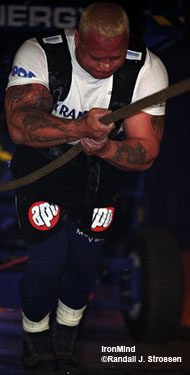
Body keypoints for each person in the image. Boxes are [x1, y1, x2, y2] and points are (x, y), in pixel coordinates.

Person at [5, 2, 168, 373]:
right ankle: (35, 340)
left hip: (100, 178)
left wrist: (108, 146)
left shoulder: (147, 69)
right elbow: (19, 124)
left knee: (82, 262)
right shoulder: (40, 52)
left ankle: (65, 341)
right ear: (77, 38)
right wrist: (80, 128)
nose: (105, 67)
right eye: (95, 57)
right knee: (48, 263)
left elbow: (147, 152)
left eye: (114, 58)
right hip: (43, 172)